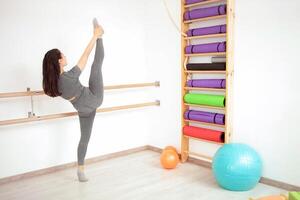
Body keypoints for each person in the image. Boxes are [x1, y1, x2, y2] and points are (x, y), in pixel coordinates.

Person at [42, 18, 104, 182]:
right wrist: (94, 36)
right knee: (96, 65)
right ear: (59, 61)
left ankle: (81, 170)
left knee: (84, 139)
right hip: (94, 98)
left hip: (83, 110)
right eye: (63, 54)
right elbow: (85, 55)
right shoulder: (68, 77)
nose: (65, 55)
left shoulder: (54, 84)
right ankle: (101, 36)